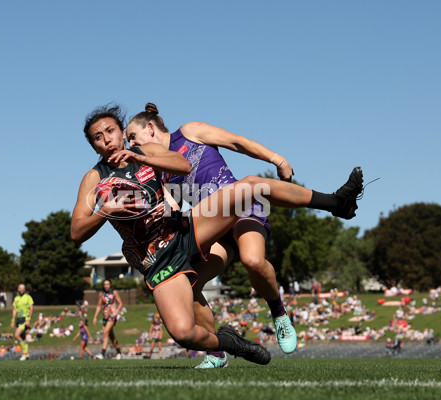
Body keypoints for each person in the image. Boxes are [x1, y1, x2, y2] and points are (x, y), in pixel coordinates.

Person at [71, 104, 363, 366]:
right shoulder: (95, 179)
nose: (106, 139)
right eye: (98, 137)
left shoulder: (148, 152)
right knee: (183, 332)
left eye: (110, 131)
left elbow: (182, 165)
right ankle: (226, 346)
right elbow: (76, 232)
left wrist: (138, 156)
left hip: (188, 231)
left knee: (250, 191)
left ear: (123, 133)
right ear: (94, 146)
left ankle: (337, 203)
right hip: (158, 258)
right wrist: (104, 211)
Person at [125, 103, 320, 366]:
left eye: (132, 137)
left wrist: (277, 159)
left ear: (150, 128)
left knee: (252, 261)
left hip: (243, 206)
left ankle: (279, 313)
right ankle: (216, 354)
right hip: (215, 227)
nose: (130, 143)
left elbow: (237, 142)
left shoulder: (190, 131)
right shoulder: (157, 169)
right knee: (189, 282)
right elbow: (172, 205)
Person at [93, 279, 123, 359]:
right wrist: (95, 317)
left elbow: (120, 303)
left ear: (110, 285)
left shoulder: (114, 292)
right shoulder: (101, 294)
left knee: (105, 332)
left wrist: (116, 312)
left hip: (112, 316)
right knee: (111, 336)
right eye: (105, 284)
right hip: (105, 317)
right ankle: (119, 352)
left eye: (108, 284)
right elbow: (99, 306)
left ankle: (102, 354)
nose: (106, 286)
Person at [11, 283, 34, 361]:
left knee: (16, 335)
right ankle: (27, 354)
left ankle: (24, 353)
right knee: (23, 338)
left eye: (23, 288)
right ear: (18, 289)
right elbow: (14, 310)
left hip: (24, 319)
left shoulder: (28, 297)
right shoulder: (16, 298)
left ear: (25, 289)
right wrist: (12, 321)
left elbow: (31, 308)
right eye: (20, 288)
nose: (21, 289)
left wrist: (29, 319)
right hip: (18, 319)